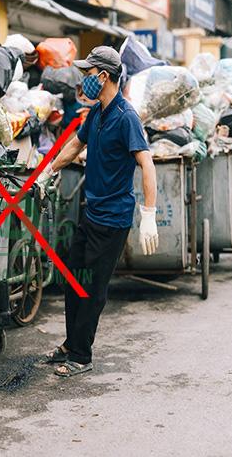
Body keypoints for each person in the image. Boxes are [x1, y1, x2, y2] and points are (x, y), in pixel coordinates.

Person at [38, 46, 158, 377]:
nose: (84, 80)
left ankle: (81, 356)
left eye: (88, 74)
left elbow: (146, 163)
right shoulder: (97, 114)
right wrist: (48, 170)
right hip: (91, 213)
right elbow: (76, 145)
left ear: (103, 77)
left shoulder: (125, 116)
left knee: (91, 289)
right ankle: (70, 342)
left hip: (113, 219)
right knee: (74, 277)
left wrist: (149, 213)